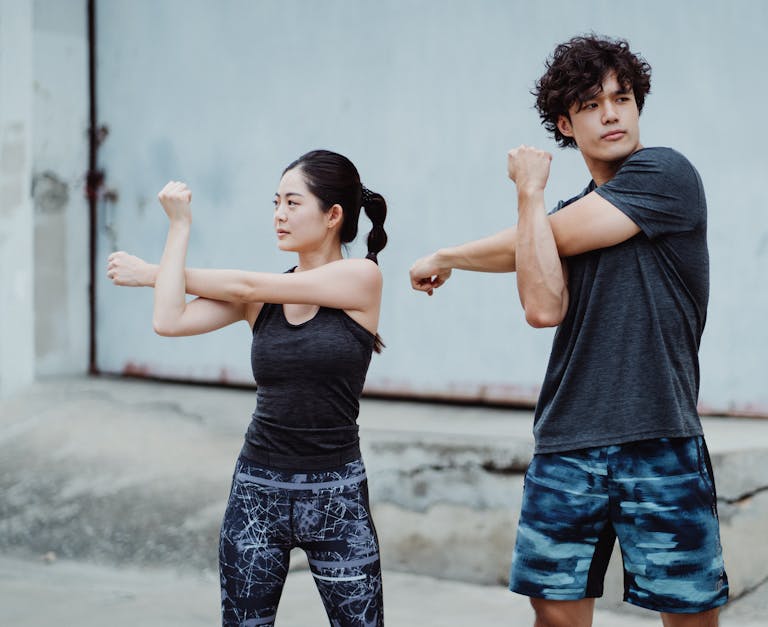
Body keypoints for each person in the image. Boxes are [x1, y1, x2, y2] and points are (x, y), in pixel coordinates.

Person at [409, 35, 729, 627]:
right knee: (555, 615)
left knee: (689, 618)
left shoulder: (667, 175)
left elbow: (556, 234)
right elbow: (541, 307)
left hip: (658, 434)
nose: (611, 114)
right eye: (590, 104)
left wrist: (453, 252)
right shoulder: (555, 220)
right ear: (565, 122)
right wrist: (528, 204)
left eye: (622, 98)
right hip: (567, 440)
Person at [107, 149, 387, 627]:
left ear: (333, 215)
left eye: (293, 203)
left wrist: (152, 274)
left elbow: (240, 284)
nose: (278, 215)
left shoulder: (362, 277)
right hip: (257, 492)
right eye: (275, 202)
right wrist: (179, 229)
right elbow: (168, 319)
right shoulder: (259, 299)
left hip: (336, 497)